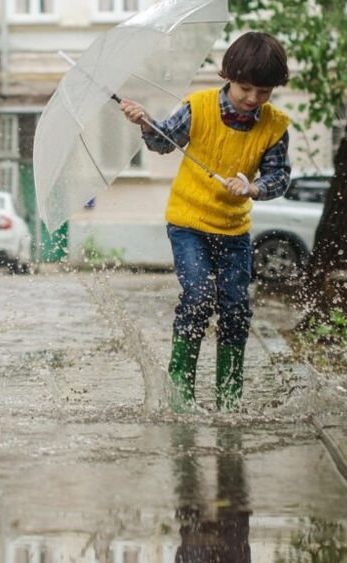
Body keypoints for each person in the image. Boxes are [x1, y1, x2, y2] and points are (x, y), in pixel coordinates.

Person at [119, 31, 291, 411]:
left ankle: (229, 401)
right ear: (228, 76)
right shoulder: (198, 108)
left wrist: (255, 187)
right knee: (197, 299)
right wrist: (145, 122)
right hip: (189, 224)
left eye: (264, 92)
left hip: (234, 230)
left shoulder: (275, 126)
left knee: (235, 308)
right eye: (246, 88)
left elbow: (279, 177)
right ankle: (181, 397)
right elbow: (163, 142)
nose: (253, 99)